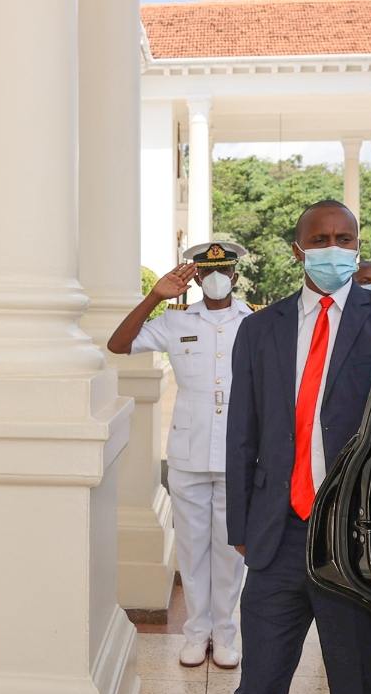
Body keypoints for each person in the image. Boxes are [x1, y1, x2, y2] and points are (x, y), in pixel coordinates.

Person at [222, 200, 371, 694]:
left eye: (344, 238)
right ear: (298, 249)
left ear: (358, 245)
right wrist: (242, 527)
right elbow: (242, 433)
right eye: (320, 239)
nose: (333, 249)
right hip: (278, 540)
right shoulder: (260, 329)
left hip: (356, 544)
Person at [108, 241, 255, 668]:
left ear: (235, 276)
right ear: (195, 276)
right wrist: (155, 296)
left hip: (237, 448)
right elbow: (118, 344)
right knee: (191, 547)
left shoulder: (254, 321)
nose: (215, 278)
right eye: (206, 271)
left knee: (230, 549)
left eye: (223, 270)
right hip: (188, 450)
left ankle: (224, 633)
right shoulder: (175, 320)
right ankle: (196, 633)